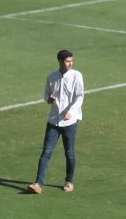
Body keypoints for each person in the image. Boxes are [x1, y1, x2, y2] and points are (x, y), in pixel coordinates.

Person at [28, 48, 84, 194]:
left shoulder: (77, 76)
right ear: (60, 61)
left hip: (69, 122)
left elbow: (79, 97)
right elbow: (46, 94)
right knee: (46, 152)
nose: (70, 64)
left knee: (69, 153)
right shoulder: (51, 76)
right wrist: (49, 99)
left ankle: (69, 181)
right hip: (53, 120)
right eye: (67, 61)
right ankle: (38, 184)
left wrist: (71, 113)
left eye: (71, 61)